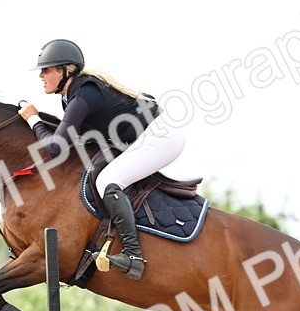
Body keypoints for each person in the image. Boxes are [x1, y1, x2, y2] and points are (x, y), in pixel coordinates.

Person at [18, 39, 185, 280]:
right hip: (145, 137)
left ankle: (134, 256)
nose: (41, 75)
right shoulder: (72, 97)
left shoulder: (84, 95)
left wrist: (33, 120)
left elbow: (55, 147)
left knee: (108, 180)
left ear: (66, 71)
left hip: (162, 136)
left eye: (47, 69)